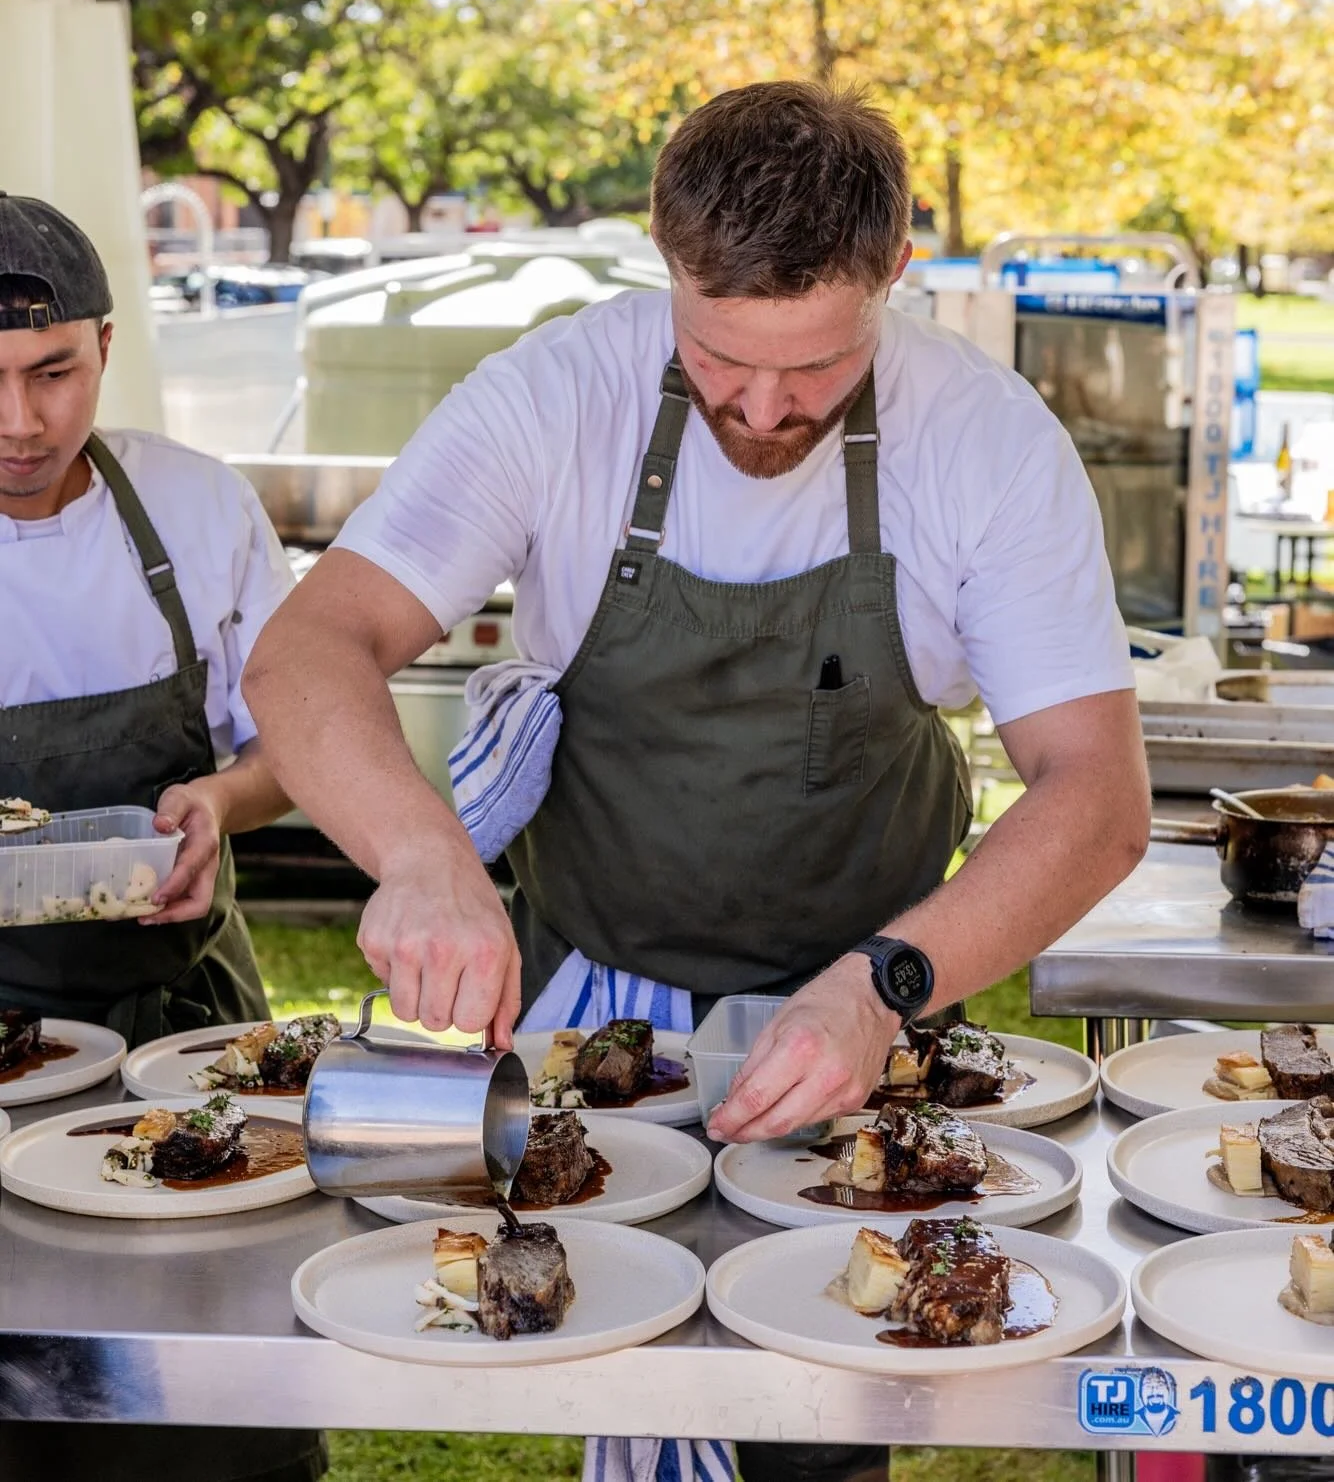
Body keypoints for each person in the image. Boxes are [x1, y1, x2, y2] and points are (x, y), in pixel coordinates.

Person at [245, 83, 1149, 1482]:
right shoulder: (559, 394)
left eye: (817, 367)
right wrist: (423, 859)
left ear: (896, 272)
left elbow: (1093, 789)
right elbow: (312, 647)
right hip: (595, 1000)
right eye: (721, 354)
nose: (762, 406)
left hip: (862, 1012)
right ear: (662, 264)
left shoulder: (985, 438)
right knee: (583, 1330)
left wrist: (879, 988)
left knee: (822, 1399)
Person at [0, 193, 325, 1482]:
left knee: (218, 1400)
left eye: (51, 372)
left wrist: (224, 803)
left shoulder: (195, 510)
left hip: (188, 1028)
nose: (19, 423)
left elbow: (298, 737)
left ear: (107, 347)